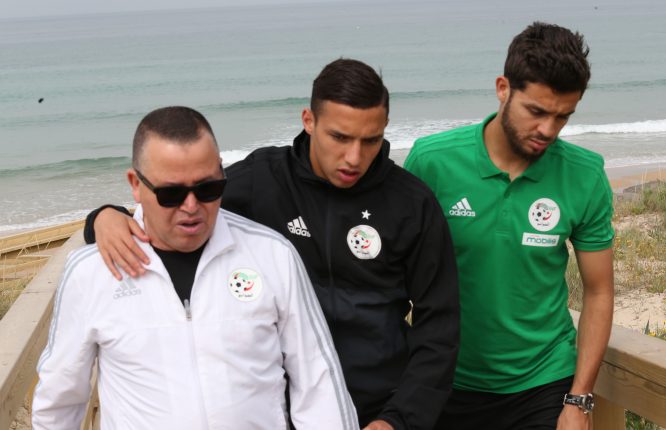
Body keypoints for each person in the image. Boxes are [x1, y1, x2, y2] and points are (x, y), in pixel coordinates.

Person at [83, 60, 460, 430]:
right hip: (281, 411)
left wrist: (399, 419)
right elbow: (182, 202)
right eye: (340, 137)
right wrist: (103, 217)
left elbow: (439, 326)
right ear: (308, 120)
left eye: (371, 140)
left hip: (380, 407)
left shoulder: (412, 204)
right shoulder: (262, 179)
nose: (354, 157)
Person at [33, 106, 358, 429]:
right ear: (135, 184)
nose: (191, 207)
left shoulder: (273, 254)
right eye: (171, 194)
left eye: (207, 189)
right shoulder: (91, 272)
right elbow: (59, 400)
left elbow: (319, 385)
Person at [404, 22, 614, 430]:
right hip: (445, 380)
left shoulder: (585, 175)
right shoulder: (432, 162)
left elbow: (599, 291)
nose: (548, 130)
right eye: (536, 112)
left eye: (563, 117)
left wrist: (579, 399)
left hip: (543, 381)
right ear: (503, 88)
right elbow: (394, 273)